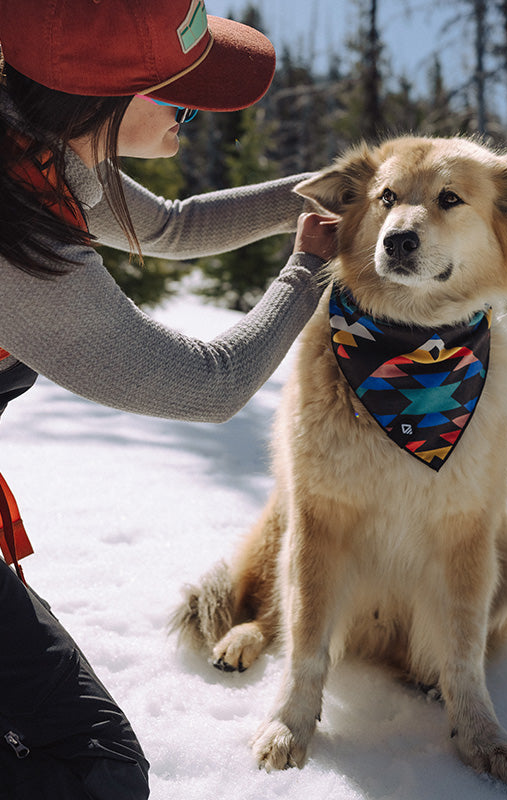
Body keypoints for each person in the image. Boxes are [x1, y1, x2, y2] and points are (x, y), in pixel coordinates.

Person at [0, 1, 338, 797]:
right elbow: (209, 384)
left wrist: (329, 191)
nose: (191, 116)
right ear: (100, 104)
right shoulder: (16, 233)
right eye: (179, 98)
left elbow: (179, 227)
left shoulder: (29, 142)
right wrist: (308, 270)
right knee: (94, 774)